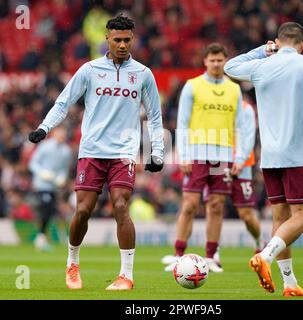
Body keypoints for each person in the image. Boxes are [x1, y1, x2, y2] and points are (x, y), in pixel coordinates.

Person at [28, 15, 164, 291]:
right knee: (83, 211)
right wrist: (44, 128)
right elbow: (64, 103)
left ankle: (126, 275)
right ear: (107, 39)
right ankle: (73, 262)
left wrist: (156, 152)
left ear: (133, 39)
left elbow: (155, 115)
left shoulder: (143, 74)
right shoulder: (89, 70)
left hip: (123, 153)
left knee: (121, 205)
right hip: (91, 151)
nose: (123, 45)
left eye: (127, 40)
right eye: (117, 40)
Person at [224, 22, 303, 296]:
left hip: (270, 158)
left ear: (277, 43)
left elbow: (229, 67)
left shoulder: (260, 66)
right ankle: (264, 257)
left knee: (281, 218)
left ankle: (289, 284)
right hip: (298, 155)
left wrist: (262, 50)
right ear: (302, 44)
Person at [162, 43, 249, 272]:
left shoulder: (234, 89)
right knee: (190, 204)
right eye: (212, 60)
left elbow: (240, 125)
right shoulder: (193, 86)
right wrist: (184, 155)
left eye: (220, 60)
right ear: (205, 62)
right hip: (197, 154)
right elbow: (181, 122)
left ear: (225, 61)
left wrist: (239, 157)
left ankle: (210, 256)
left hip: (223, 156)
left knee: (217, 205)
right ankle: (178, 253)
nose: (216, 64)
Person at [204, 99, 264, 269]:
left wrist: (241, 159)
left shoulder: (245, 108)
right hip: (219, 161)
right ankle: (213, 253)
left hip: (242, 165)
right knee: (214, 205)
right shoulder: (213, 105)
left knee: (245, 213)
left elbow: (249, 136)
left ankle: (259, 242)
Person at [29, 126, 72, 251]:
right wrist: (42, 172)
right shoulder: (45, 146)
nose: (61, 137)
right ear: (54, 134)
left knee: (50, 210)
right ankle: (41, 238)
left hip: (54, 186)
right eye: (59, 134)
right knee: (46, 208)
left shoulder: (66, 151)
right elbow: (33, 163)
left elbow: (64, 168)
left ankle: (41, 237)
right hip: (42, 184)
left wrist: (62, 178)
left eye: (63, 134)